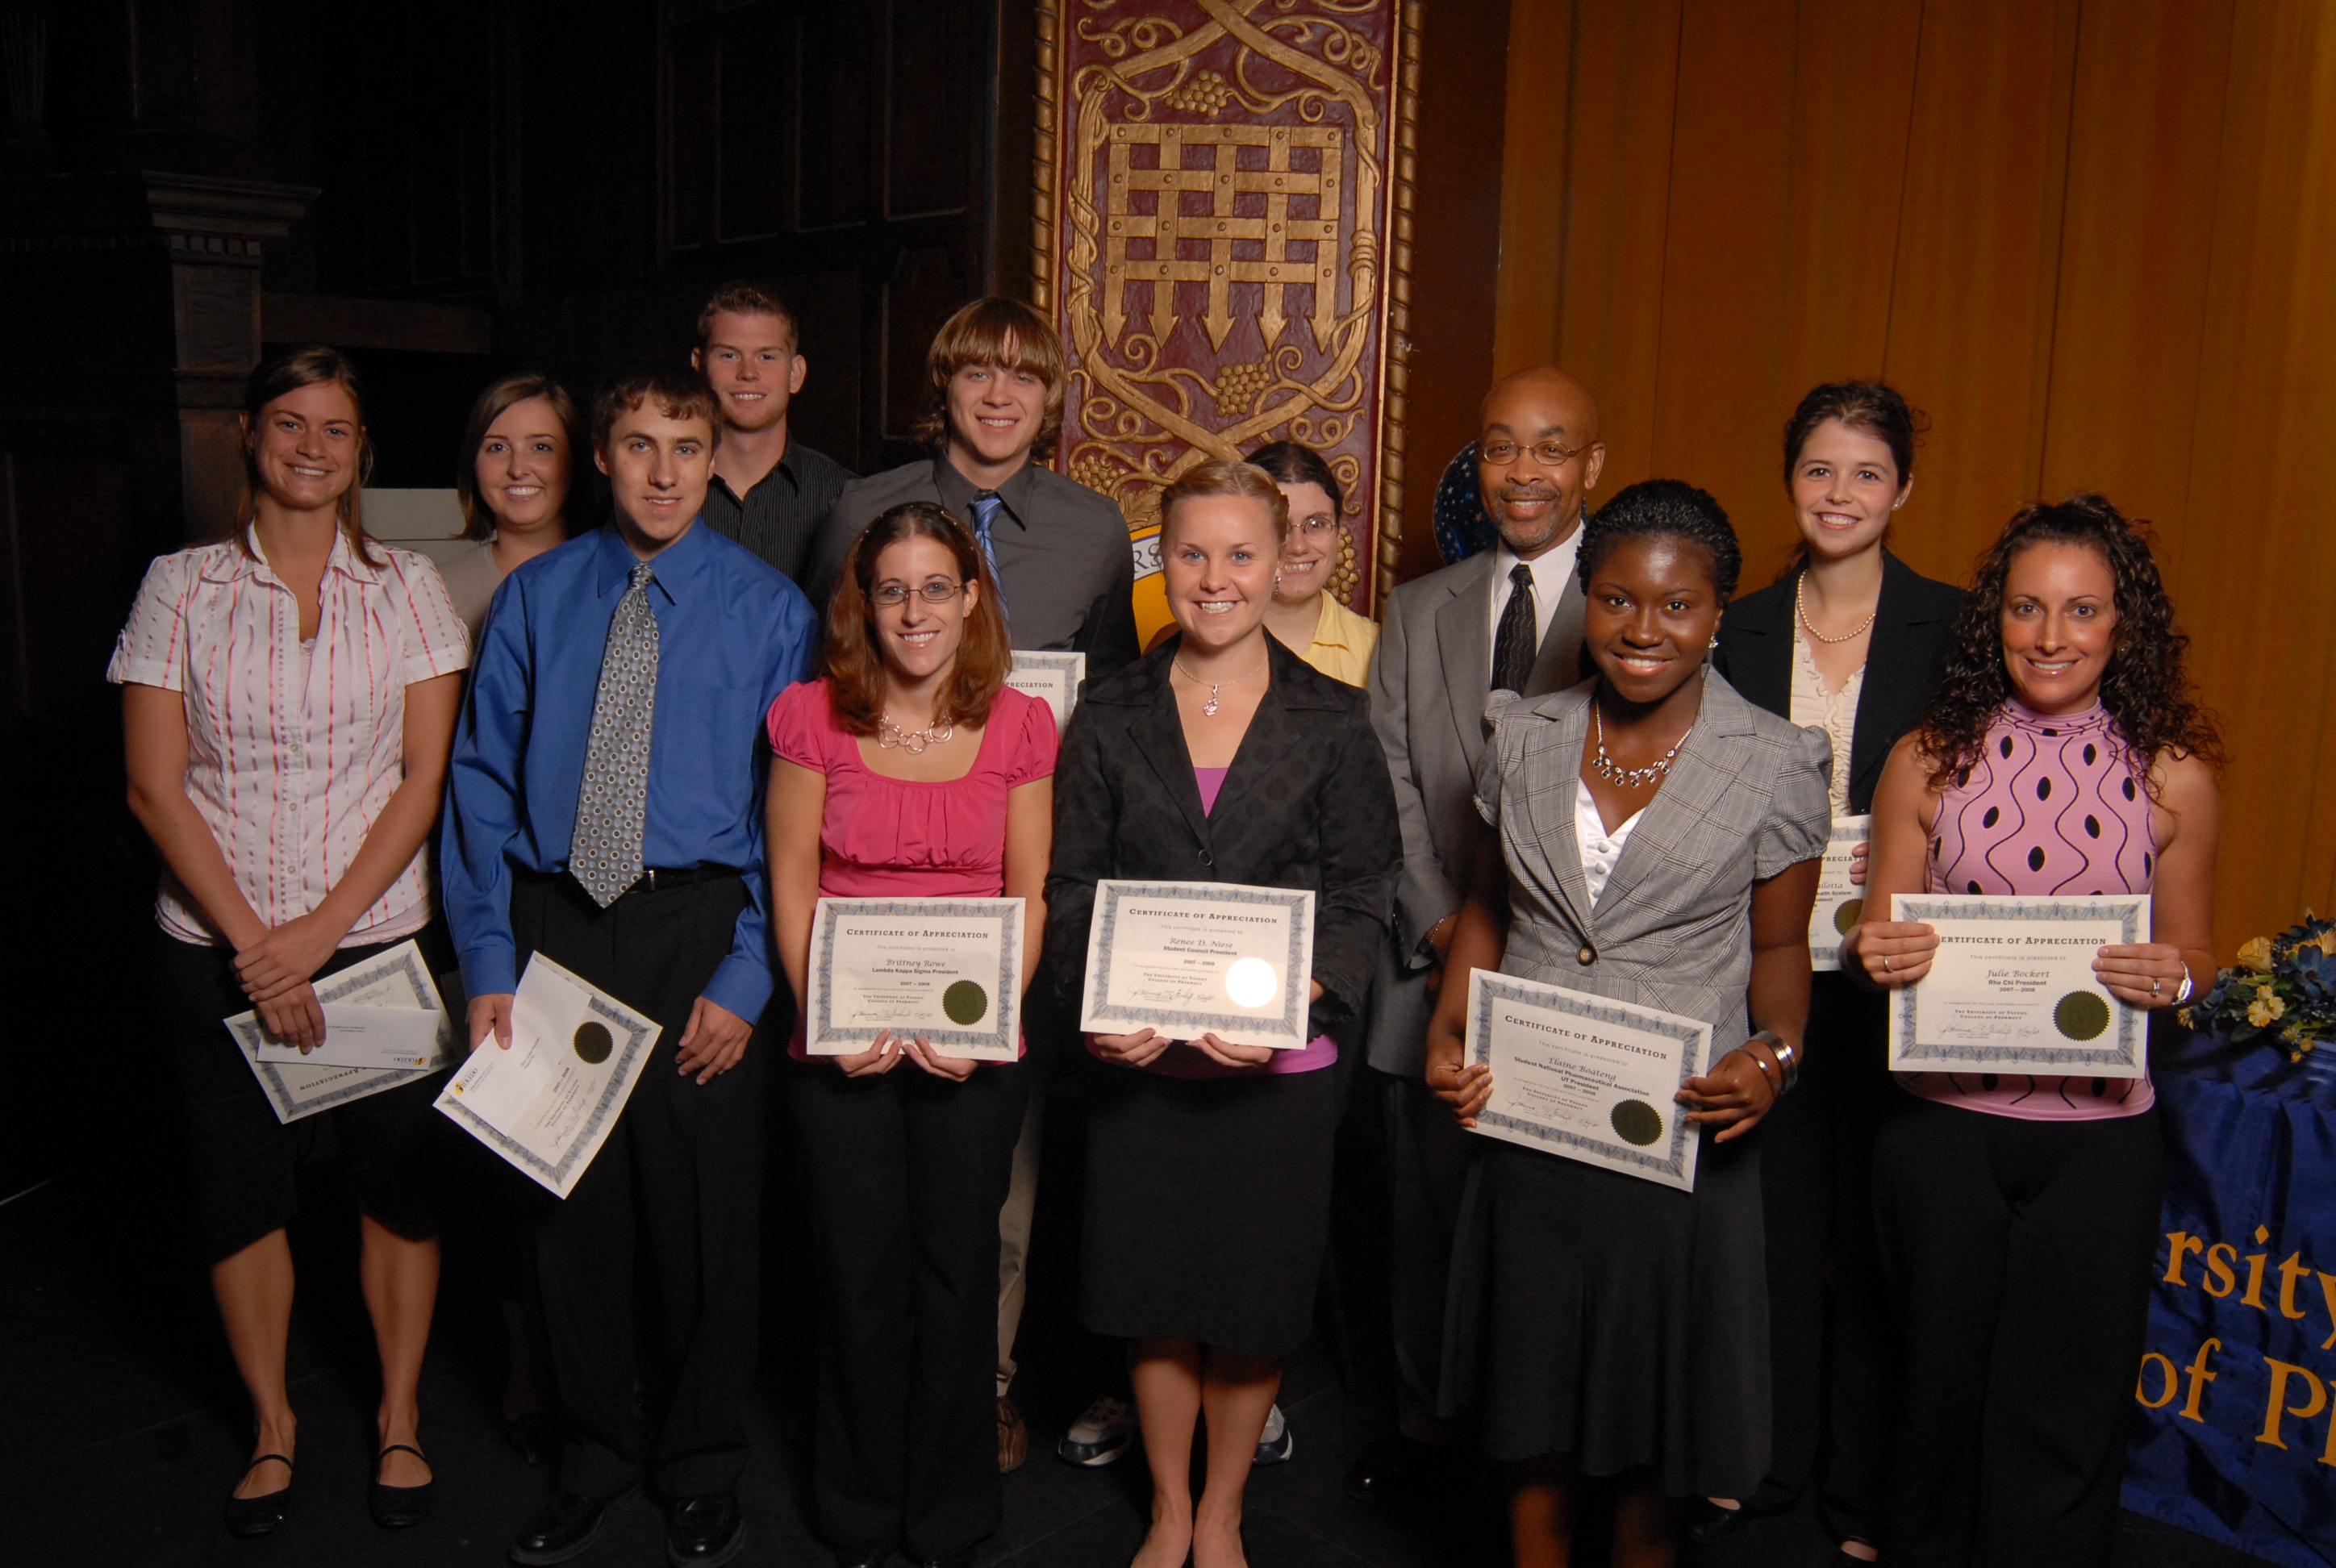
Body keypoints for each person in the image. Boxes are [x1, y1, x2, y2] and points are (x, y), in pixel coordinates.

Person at [441, 365, 818, 1568]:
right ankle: (593, 1451)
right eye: (642, 446)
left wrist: (751, 977)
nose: (665, 472)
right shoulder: (539, 598)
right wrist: (490, 959)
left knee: (706, 1216)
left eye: (688, 447)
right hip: (559, 920)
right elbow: (479, 785)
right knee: (564, 1206)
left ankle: (702, 1459)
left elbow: (791, 819)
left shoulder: (770, 612)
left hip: (697, 928)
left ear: (717, 459)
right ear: (600, 458)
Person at [1428, 478, 1831, 1566]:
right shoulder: (1522, 732)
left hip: (1677, 1147)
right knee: (1533, 1423)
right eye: (1615, 601)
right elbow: (1487, 910)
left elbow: (1783, 950)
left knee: (1654, 1443)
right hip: (1535, 1127)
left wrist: (1776, 1055)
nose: (1643, 630)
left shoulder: (1774, 759)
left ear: (1718, 612)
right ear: (1587, 603)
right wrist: (1446, 1036)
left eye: (1677, 606)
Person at [111, 344, 469, 1536]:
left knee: (398, 1187)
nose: (313, 449)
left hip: (369, 939)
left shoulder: (409, 588)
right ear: (250, 440)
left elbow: (423, 783)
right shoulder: (180, 586)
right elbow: (156, 790)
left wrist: (317, 936)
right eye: (289, 425)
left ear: (363, 452)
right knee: (240, 1196)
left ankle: (400, 1416)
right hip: (212, 946)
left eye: (337, 430)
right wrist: (257, 945)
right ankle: (273, 1426)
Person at [1852, 494, 2221, 1566]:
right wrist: (1883, 955)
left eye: (2082, 611)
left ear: (2123, 625)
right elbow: (1883, 932)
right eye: (2027, 608)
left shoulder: (2176, 777)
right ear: (1994, 620)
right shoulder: (1924, 761)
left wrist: (2175, 976)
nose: (2052, 637)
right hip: (1940, 1131)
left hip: (2100, 1139)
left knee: (2065, 1400)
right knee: (1931, 1384)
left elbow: (2196, 954)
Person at [1045, 458, 1400, 1568]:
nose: (1215, 578)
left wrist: (1301, 997)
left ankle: (1224, 1513)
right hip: (1143, 1060)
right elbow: (1066, 888)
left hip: (1275, 1068)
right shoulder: (1106, 713)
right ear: (1165, 559)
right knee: (1157, 1294)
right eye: (1192, 553)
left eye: (1240, 553)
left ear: (1280, 557)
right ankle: (1163, 1508)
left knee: (1251, 1304)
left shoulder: (1335, 719)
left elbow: (1364, 891)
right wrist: (1092, 1005)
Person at [810, 295, 1136, 1467]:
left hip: (1012, 882)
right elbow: (832, 696)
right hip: (873, 894)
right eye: (977, 375)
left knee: (999, 1176)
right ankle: (873, 1396)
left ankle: (981, 1384)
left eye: (1024, 378)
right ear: (941, 387)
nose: (1000, 397)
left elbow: (1108, 717)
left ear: (1050, 400)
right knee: (865, 1195)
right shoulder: (860, 509)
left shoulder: (1097, 530)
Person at [767, 501, 1057, 1568]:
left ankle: (948, 1508)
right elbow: (791, 882)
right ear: (863, 604)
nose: (915, 610)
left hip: (970, 1053)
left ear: (971, 598)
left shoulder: (1023, 725)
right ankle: (854, 1500)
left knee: (956, 1272)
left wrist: (978, 1027)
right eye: (892, 589)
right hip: (840, 1046)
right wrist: (825, 1018)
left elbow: (1030, 894)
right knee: (855, 1274)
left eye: (937, 586)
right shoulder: (810, 717)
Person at [1702, 383, 1963, 1559]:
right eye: (1818, 469)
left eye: (1865, 472)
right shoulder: (1736, 628)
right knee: (1770, 1229)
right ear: (1789, 480)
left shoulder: (1958, 631)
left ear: (1902, 488)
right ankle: (1766, 1462)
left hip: (1906, 984)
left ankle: (1864, 1494)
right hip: (1768, 975)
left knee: (1881, 1242)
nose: (1840, 494)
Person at [1353, 366, 1606, 1499]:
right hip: (1431, 960)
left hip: (1574, 984)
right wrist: (1444, 925)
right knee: (1426, 1223)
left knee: (1549, 1233)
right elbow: (1388, 781)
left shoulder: (1634, 602)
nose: (1525, 471)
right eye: (1502, 447)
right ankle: (1426, 1438)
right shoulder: (1419, 609)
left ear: (1590, 467)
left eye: (1551, 449)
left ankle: (1537, 1451)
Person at [692, 279, 856, 582]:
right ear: (699, 366)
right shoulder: (662, 494)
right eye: (729, 355)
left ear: (795, 374)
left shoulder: (847, 498)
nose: (748, 373)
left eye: (766, 357)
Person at [439, 373, 585, 638]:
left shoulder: (623, 579)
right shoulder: (437, 592)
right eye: (497, 448)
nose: (518, 469)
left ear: (575, 460)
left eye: (541, 447)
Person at [1249, 439, 1378, 685]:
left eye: (1317, 524)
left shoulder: (1378, 650)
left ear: (1339, 533)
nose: (1297, 546)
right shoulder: (1201, 645)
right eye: (1279, 526)